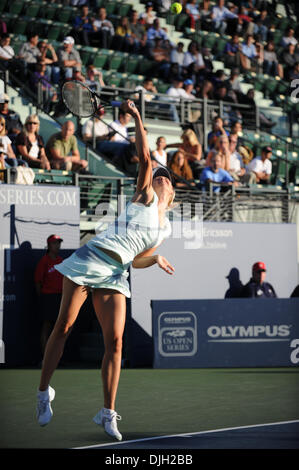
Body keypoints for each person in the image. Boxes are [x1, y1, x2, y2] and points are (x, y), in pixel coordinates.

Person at [36, 100, 175, 441]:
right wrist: (139, 117)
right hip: (90, 260)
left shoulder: (165, 228)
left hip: (116, 274)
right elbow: (145, 157)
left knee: (115, 342)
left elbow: (135, 259)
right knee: (64, 327)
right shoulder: (144, 196)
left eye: (164, 178)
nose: (159, 178)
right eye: (157, 175)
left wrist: (154, 260)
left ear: (172, 191)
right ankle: (43, 393)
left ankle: (107, 412)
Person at [35, 235, 64, 356]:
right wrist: (41, 299)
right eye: (54, 243)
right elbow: (37, 282)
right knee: (46, 327)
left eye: (58, 243)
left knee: (59, 329)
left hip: (60, 298)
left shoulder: (61, 261)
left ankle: (56, 358)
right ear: (49, 245)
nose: (57, 246)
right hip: (47, 297)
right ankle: (45, 358)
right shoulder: (44, 261)